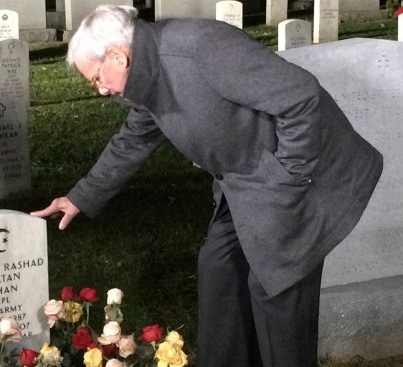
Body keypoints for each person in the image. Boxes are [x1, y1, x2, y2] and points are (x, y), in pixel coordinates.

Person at [31, 5, 383, 367]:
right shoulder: (147, 74)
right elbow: (134, 139)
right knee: (220, 267)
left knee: (275, 289)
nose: (101, 90)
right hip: (247, 183)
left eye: (96, 79)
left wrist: (288, 176)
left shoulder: (202, 48)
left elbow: (302, 97)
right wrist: (80, 197)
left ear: (117, 56)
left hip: (307, 174)